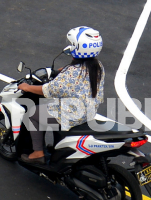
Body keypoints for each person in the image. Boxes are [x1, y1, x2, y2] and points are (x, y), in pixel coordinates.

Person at [17, 27, 105, 165]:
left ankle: (38, 153)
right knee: (50, 111)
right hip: (89, 111)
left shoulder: (71, 72)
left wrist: (27, 87)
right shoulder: (97, 66)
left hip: (71, 114)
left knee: (33, 114)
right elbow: (78, 78)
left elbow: (49, 90)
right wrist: (65, 70)